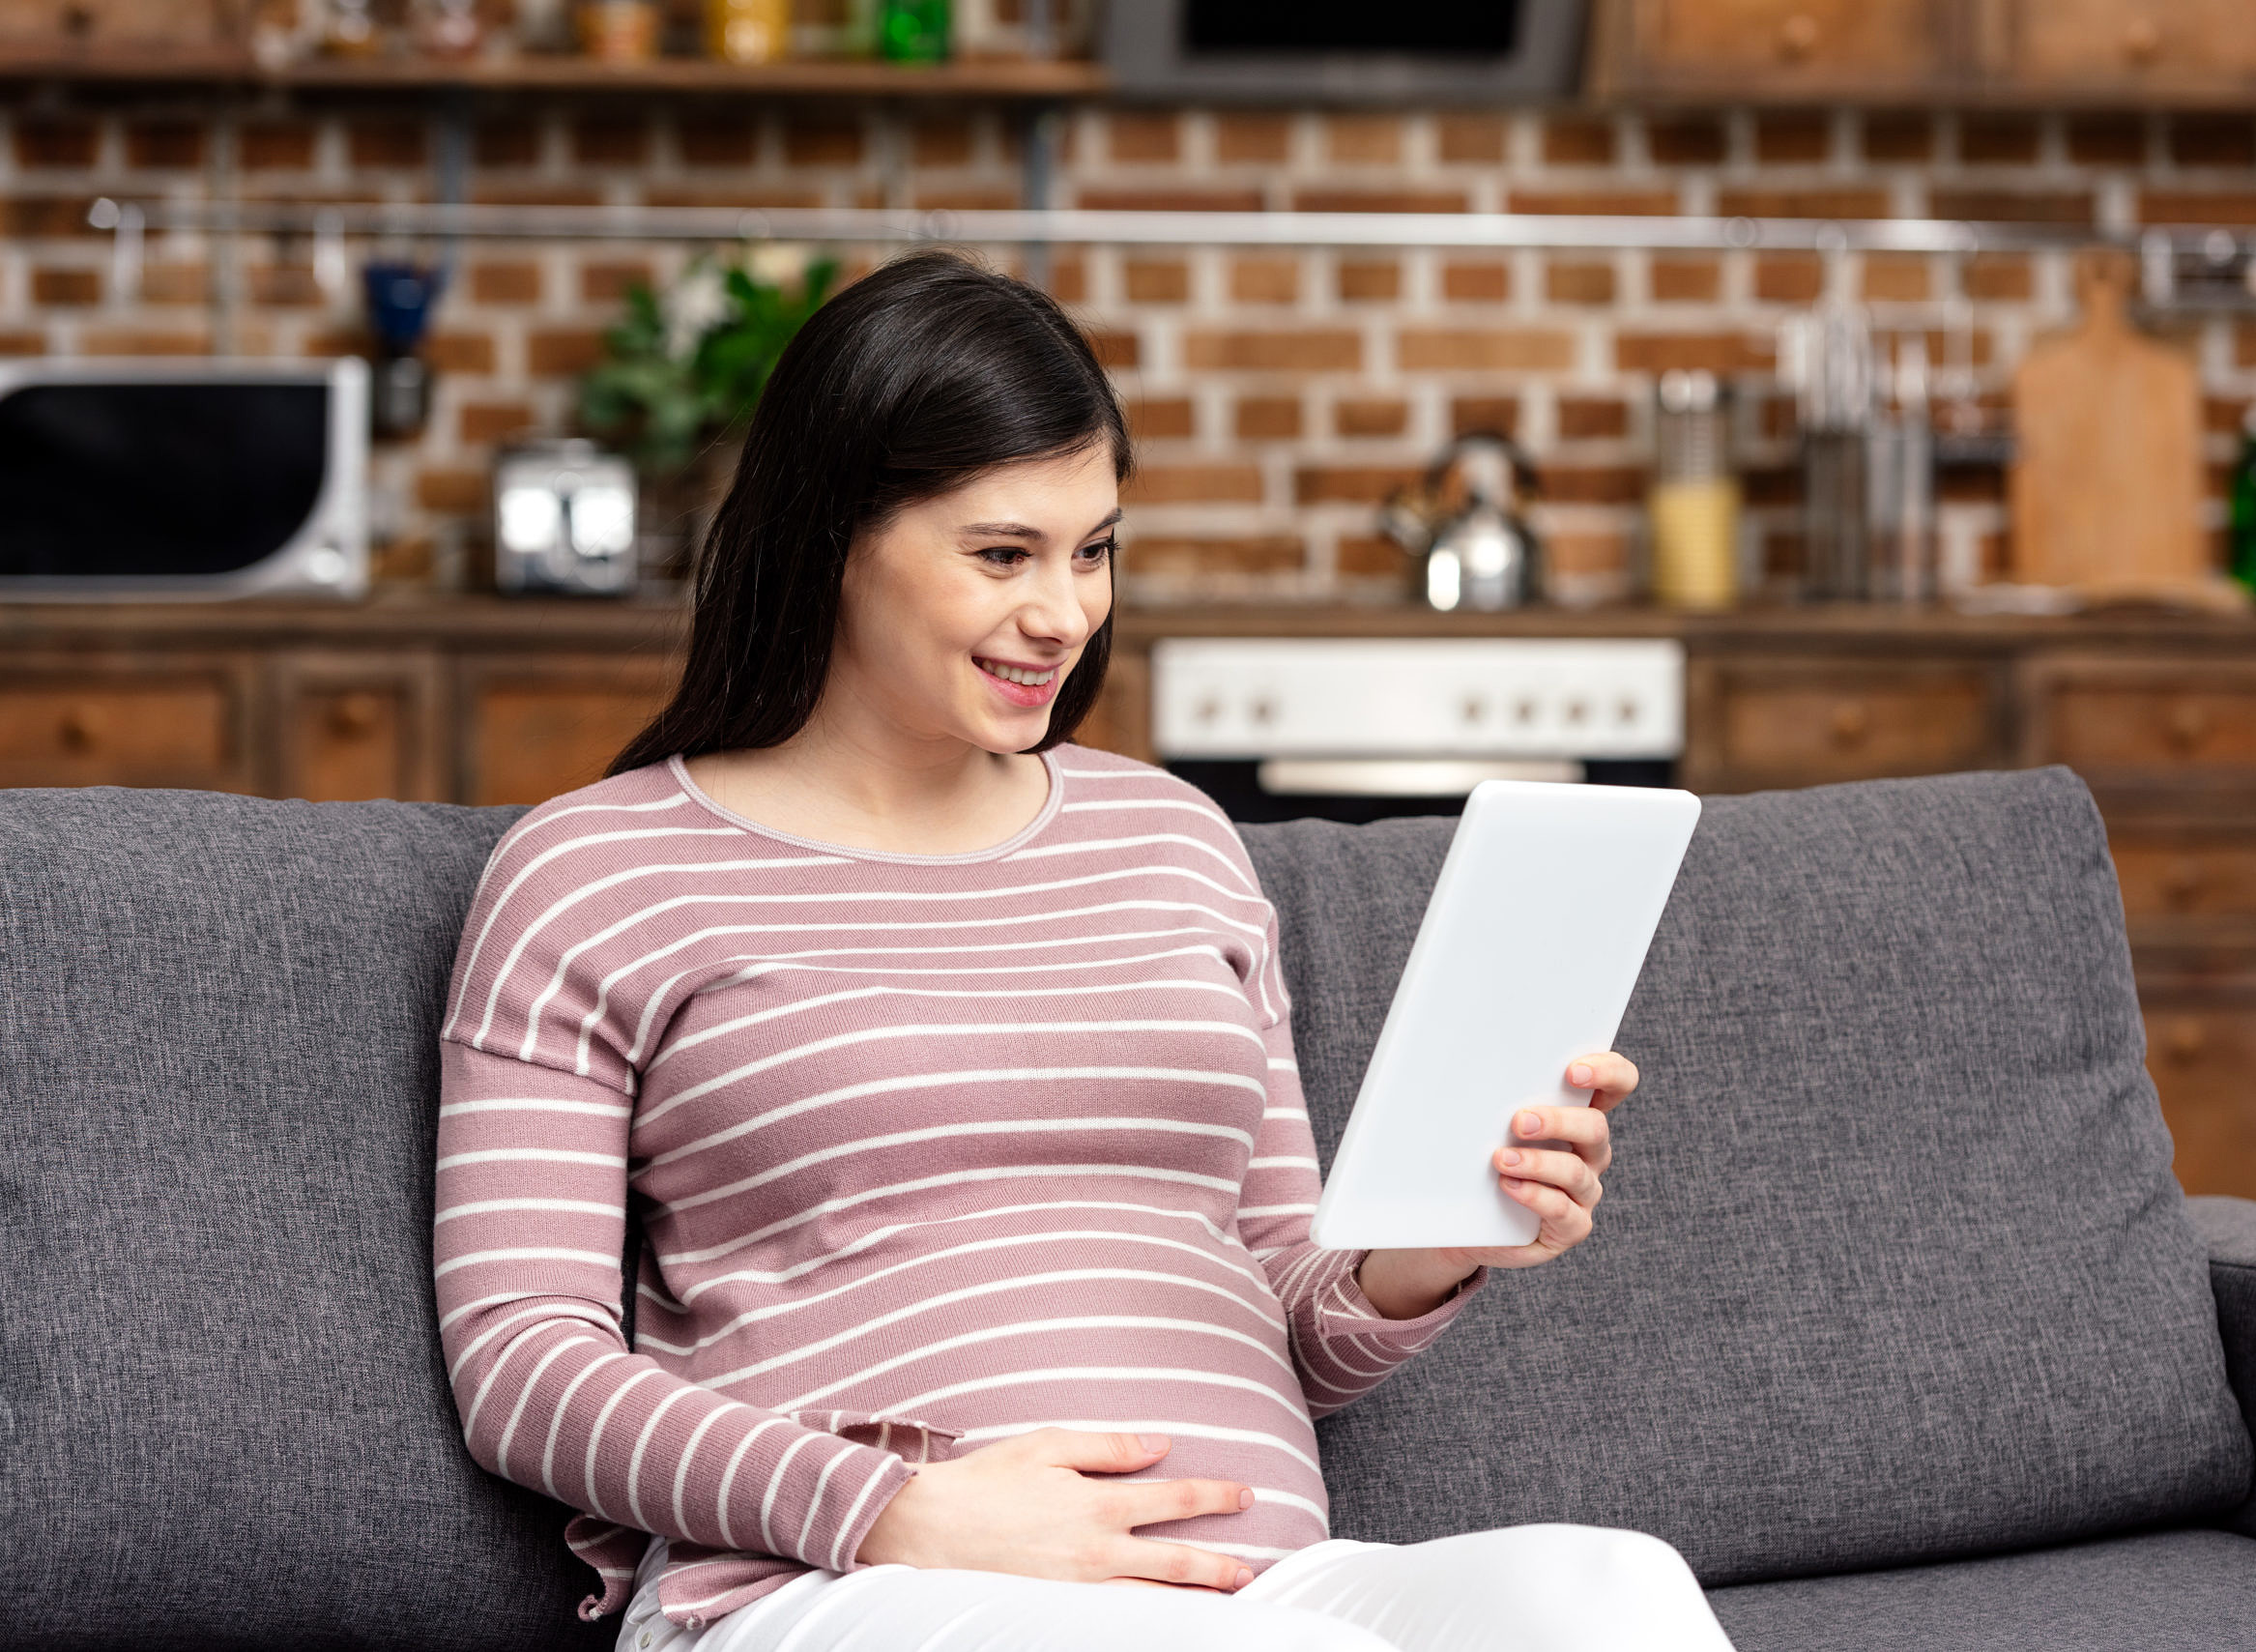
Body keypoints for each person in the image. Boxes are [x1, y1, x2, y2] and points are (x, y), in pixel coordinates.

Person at [434, 249, 1734, 1652]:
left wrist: (1415, 1254)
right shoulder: (597, 870)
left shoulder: (1174, 840)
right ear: (829, 537)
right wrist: (896, 1510)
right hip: (841, 1590)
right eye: (1003, 553)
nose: (1065, 612)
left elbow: (1290, 1303)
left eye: (1094, 548)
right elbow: (522, 1363)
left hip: (1257, 1589)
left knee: (1616, 1591)